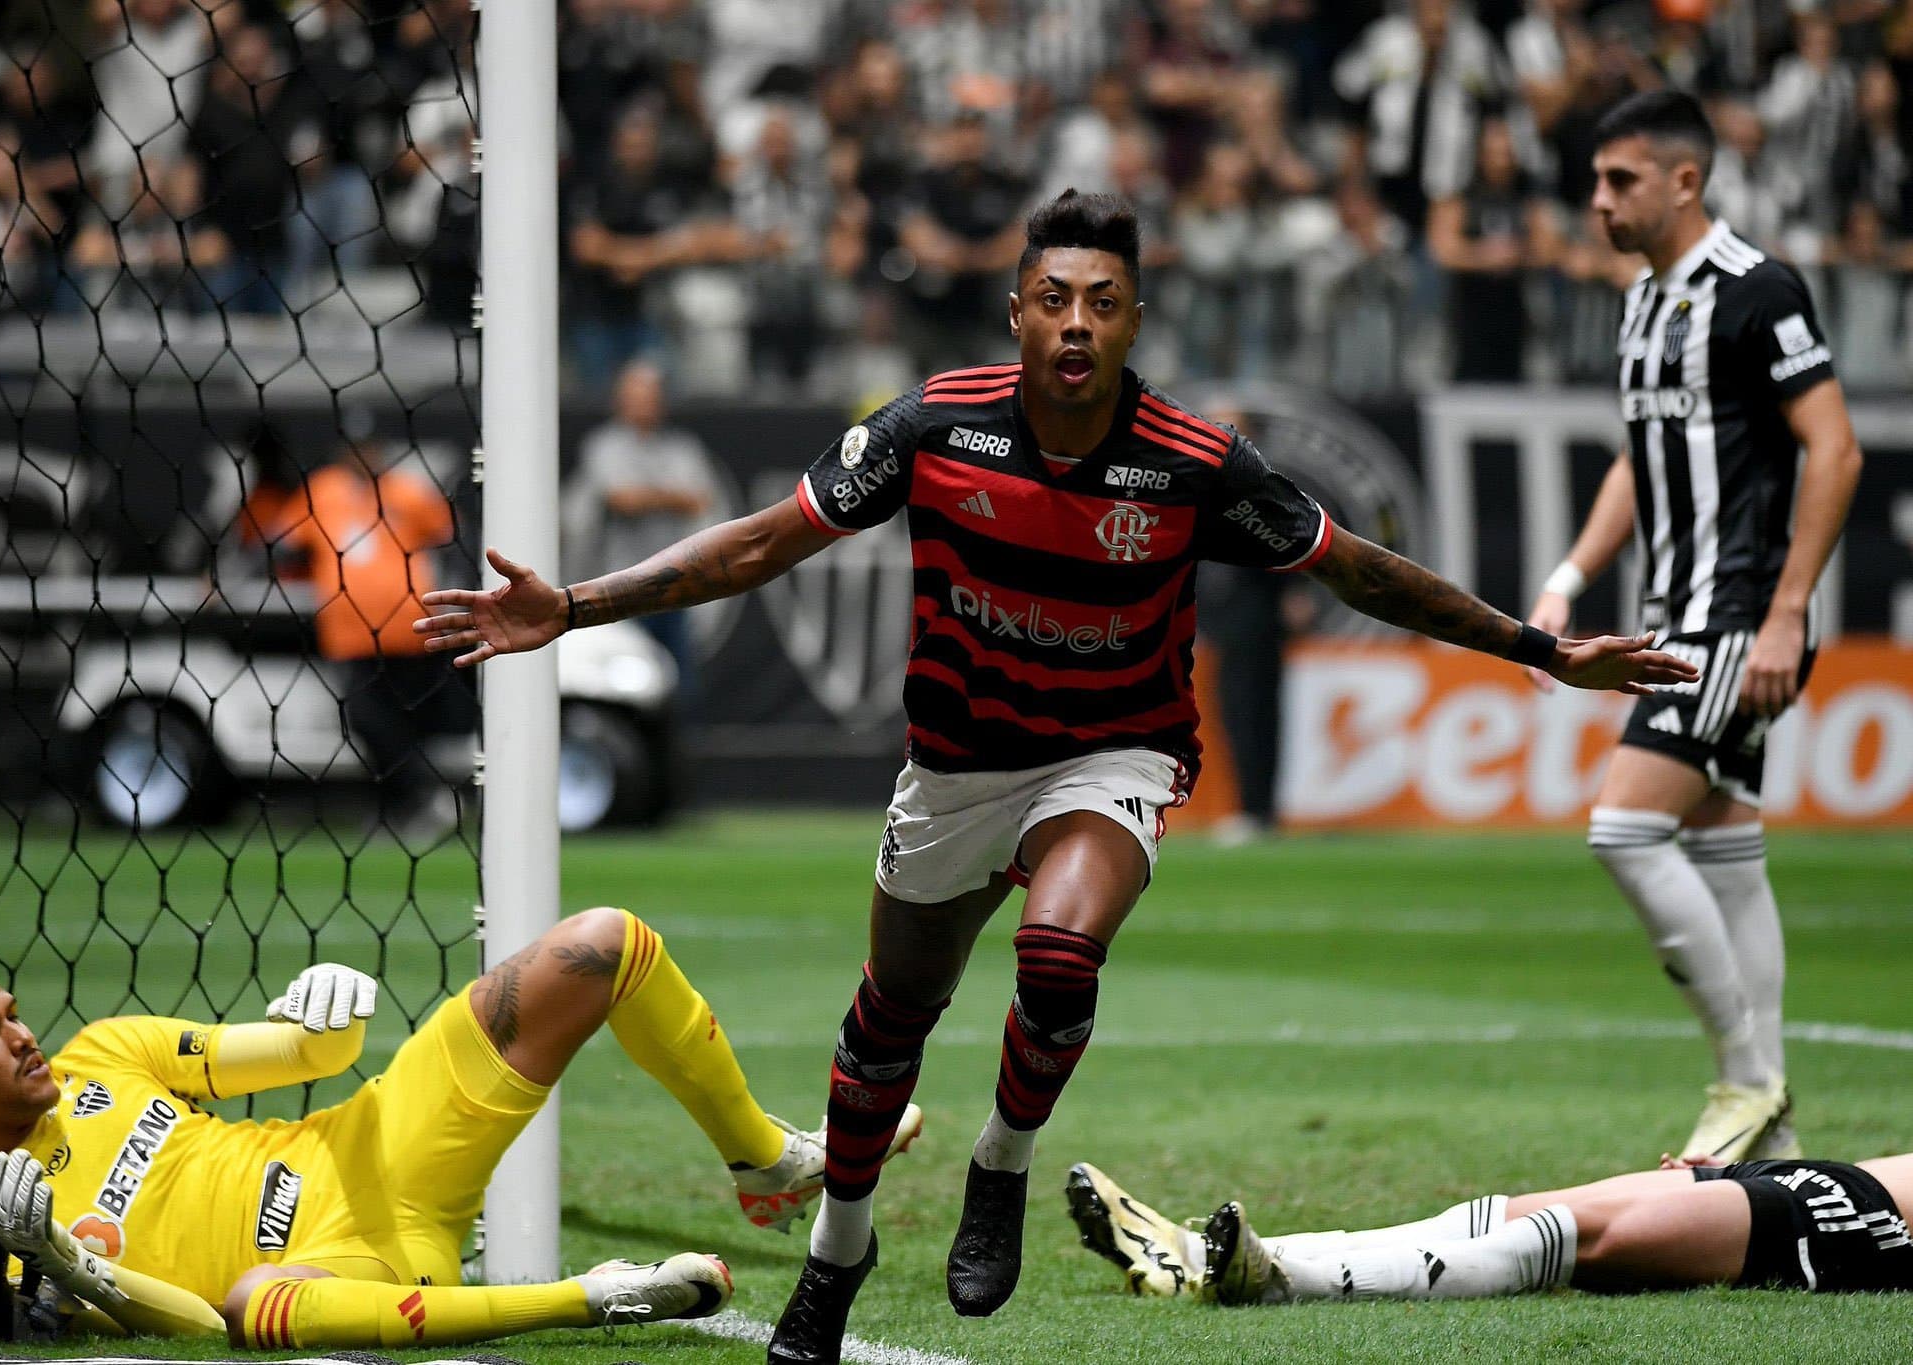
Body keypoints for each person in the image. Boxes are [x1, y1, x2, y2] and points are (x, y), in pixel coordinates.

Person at [414, 190, 1695, 1364]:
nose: (1076, 323)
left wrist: (1536, 648)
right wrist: (573, 606)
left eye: (1102, 302)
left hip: (1109, 755)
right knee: (884, 1032)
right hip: (956, 767)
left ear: (1134, 319)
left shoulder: (1193, 462)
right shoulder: (933, 425)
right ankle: (834, 1260)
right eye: (1053, 299)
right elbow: (757, 544)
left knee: (1057, 956)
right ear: (1014, 309)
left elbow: (1356, 567)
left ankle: (1001, 1164)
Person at [0, 916, 922, 1347]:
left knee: (601, 947)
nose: (22, 1038)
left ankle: (763, 1157)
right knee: (249, 1308)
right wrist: (56, 1260)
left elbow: (296, 1057)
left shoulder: (103, 1053)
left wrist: (329, 1008)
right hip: (332, 1274)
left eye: (11, 1016)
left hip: (370, 1145)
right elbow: (190, 1327)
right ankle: (594, 1296)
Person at [1523, 91, 1864, 1166]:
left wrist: (1783, 613)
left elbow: (1835, 448)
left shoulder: (1757, 291)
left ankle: (1745, 1081)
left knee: (1623, 829)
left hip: (1734, 617)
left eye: (1617, 180)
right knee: (1725, 851)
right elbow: (1638, 459)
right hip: (1676, 612)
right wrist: (1571, 572)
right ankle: (1774, 1139)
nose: (1597, 200)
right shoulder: (1639, 302)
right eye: (1593, 181)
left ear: (1684, 180)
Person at [1064, 1148, 1913, 1307]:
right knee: (1509, 1210)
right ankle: (1200, 1251)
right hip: (1827, 1179)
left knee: (1577, 1239)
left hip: (1855, 1223)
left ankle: (1282, 1281)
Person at [274, 409, 469, 840]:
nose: (364, 455)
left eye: (370, 447)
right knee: (365, 720)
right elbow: (283, 545)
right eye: (356, 447)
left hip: (411, 631)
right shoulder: (322, 491)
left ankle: (405, 809)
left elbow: (450, 542)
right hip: (351, 636)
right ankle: (418, 799)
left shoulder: (408, 493)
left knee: (407, 724)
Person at [573, 360, 722, 705]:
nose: (644, 404)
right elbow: (622, 499)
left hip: (675, 582)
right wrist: (669, 496)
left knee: (680, 680)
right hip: (623, 585)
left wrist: (648, 494)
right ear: (620, 400)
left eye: (650, 396)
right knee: (625, 679)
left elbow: (700, 501)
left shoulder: (681, 447)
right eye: (635, 396)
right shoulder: (605, 445)